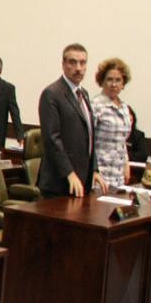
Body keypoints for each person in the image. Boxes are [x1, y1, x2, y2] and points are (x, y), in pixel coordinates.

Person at [38, 43, 105, 198]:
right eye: (72, 62)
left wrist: (94, 169)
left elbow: (89, 136)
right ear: (63, 64)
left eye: (83, 63)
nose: (78, 68)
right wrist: (69, 173)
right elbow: (52, 139)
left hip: (83, 180)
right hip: (59, 182)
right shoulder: (52, 94)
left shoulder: (84, 94)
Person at [91, 58, 132, 190]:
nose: (113, 84)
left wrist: (126, 163)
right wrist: (93, 170)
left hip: (118, 175)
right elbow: (87, 140)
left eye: (118, 80)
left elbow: (122, 140)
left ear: (123, 83)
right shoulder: (95, 105)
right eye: (109, 79)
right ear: (101, 81)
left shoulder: (124, 107)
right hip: (100, 174)